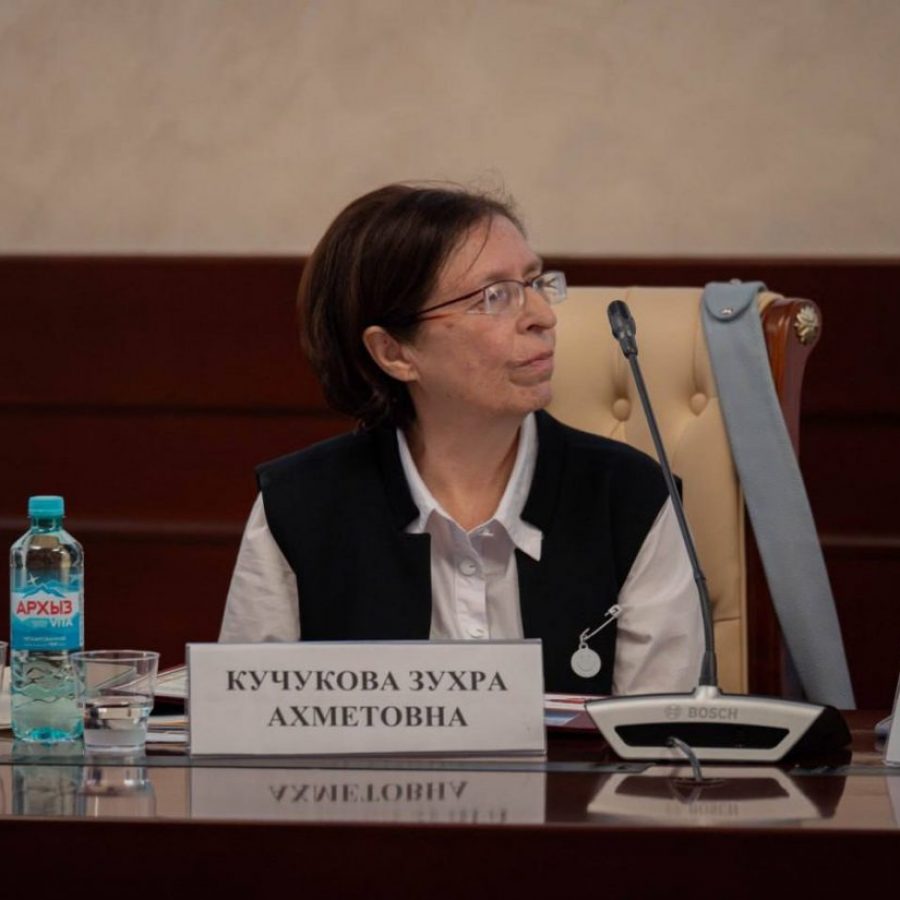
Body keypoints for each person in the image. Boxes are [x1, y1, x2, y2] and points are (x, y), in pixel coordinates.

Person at [219, 183, 702, 695]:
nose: (544, 316)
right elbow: (248, 720)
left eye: (534, 281)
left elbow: (658, 733)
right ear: (395, 353)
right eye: (495, 296)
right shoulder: (298, 507)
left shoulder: (632, 498)